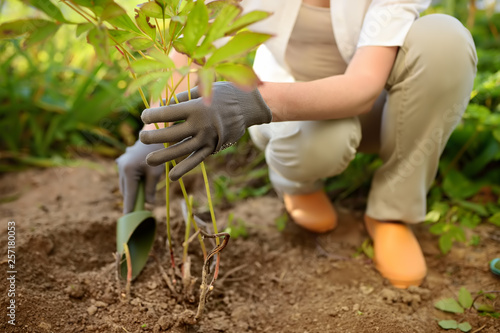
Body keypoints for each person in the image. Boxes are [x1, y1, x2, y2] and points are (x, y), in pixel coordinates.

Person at [117, 0, 477, 289]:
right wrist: (152, 135)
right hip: (287, 115)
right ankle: (298, 185)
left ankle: (392, 213)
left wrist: (253, 102)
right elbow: (190, 48)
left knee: (444, 39)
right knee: (324, 143)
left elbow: (364, 87)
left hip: (360, 105)